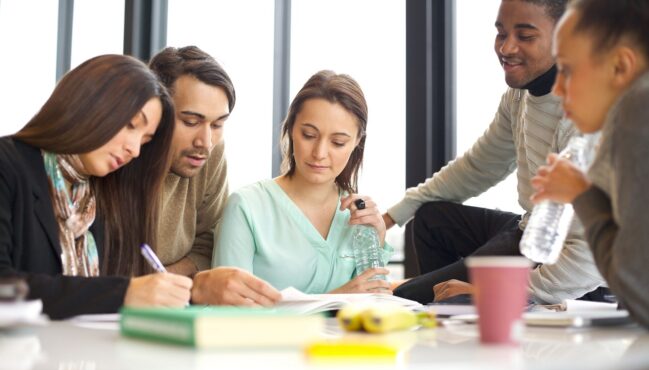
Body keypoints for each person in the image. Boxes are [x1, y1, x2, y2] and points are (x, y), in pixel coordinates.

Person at [384, 0, 605, 305]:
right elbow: (477, 167)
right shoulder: (518, 96)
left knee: (410, 296)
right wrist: (390, 217)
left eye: (525, 36)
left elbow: (588, 256)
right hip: (531, 230)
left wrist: (495, 294)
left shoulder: (587, 117)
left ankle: (458, 305)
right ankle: (453, 312)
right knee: (431, 219)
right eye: (501, 34)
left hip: (574, 266)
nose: (507, 48)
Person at [0, 54, 193, 320]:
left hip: (92, 357)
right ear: (87, 105)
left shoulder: (105, 195)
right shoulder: (8, 165)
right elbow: (3, 286)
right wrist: (123, 292)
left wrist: (194, 289)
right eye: (130, 125)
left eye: (145, 141)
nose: (134, 150)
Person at [213, 70, 392, 295]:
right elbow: (226, 315)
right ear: (291, 129)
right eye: (308, 135)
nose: (319, 153)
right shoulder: (246, 206)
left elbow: (374, 305)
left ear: (357, 142)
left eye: (338, 142)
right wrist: (334, 299)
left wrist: (378, 240)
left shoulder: (356, 214)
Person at [531, 0, 649, 328]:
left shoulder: (638, 108)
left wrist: (581, 194)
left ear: (620, 67)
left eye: (566, 70)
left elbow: (640, 293)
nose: (557, 88)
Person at [148, 46, 281, 307]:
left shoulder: (210, 152)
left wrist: (166, 281)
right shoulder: (119, 155)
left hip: (170, 308)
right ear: (155, 113)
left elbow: (210, 242)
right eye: (190, 121)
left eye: (218, 124)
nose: (206, 142)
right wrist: (189, 283)